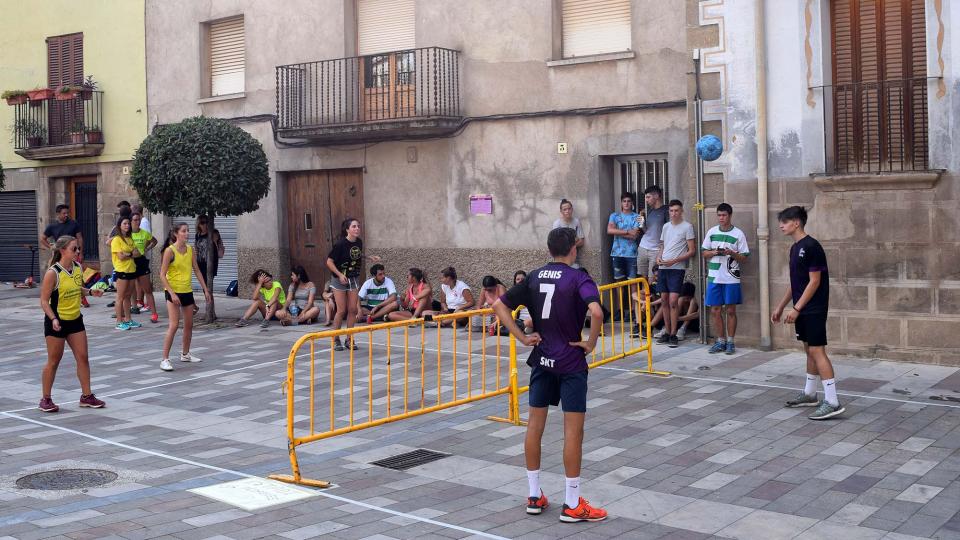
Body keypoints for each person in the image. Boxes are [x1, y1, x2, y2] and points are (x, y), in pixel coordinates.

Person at [492, 227, 607, 524]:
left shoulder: (533, 276)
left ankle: (534, 495)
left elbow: (498, 305)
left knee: (535, 427)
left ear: (549, 249)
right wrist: (591, 343)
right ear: (573, 249)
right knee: (573, 432)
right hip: (570, 361)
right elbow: (596, 312)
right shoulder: (579, 277)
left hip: (542, 359)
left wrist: (520, 337)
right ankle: (571, 503)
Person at [773, 206, 844, 421]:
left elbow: (815, 281)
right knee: (808, 350)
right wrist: (781, 305)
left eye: (785, 222)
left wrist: (796, 308)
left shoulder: (812, 246)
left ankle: (832, 402)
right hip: (802, 308)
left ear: (796, 223)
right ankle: (810, 393)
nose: (781, 225)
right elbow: (796, 283)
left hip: (813, 308)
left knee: (817, 351)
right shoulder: (795, 249)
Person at [37, 235, 105, 412]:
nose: (77, 251)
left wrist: (90, 292)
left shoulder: (77, 267)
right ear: (62, 251)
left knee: (83, 357)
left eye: (78, 248)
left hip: (75, 319)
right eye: (74, 249)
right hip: (57, 321)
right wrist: (53, 319)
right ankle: (45, 399)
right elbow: (44, 301)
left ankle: (87, 396)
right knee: (54, 361)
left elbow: (76, 289)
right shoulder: (53, 273)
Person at [159, 223, 212, 372]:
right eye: (184, 231)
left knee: (189, 325)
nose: (187, 233)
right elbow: (162, 275)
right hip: (172, 292)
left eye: (188, 231)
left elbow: (197, 270)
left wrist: (205, 289)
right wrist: (172, 293)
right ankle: (164, 359)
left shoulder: (190, 250)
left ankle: (185, 354)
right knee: (174, 325)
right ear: (176, 234)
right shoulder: (170, 251)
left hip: (187, 291)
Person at [326, 217, 381, 350]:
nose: (357, 229)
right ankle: (336, 338)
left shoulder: (359, 242)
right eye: (354, 226)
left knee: (353, 309)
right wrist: (339, 275)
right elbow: (329, 262)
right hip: (339, 279)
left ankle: (349, 339)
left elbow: (355, 254)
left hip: (353, 278)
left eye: (358, 226)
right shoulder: (340, 245)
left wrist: (368, 257)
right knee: (341, 310)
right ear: (347, 230)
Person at [702, 203, 750, 354]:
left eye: (724, 215)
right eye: (719, 215)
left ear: (730, 215)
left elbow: (744, 257)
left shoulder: (738, 234)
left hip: (731, 276)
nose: (721, 218)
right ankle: (720, 340)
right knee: (715, 310)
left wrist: (732, 253)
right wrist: (715, 252)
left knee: (730, 310)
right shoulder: (712, 231)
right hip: (714, 276)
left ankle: (730, 342)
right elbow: (704, 253)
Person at [655, 200, 696, 348]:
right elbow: (662, 245)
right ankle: (666, 331)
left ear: (681, 211)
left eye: (676, 211)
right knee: (664, 299)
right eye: (671, 211)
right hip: (663, 267)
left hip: (677, 268)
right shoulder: (666, 226)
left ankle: (674, 333)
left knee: (673, 300)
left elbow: (692, 250)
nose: (674, 213)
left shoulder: (687, 227)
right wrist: (658, 257)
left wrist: (675, 260)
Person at [41, 205, 87, 308]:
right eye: (64, 213)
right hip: (59, 254)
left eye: (67, 213)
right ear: (58, 214)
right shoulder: (52, 227)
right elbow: (42, 238)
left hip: (73, 252)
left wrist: (81, 252)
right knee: (56, 274)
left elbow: (79, 238)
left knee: (77, 275)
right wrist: (51, 247)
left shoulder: (73, 224)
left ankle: (82, 298)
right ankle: (54, 296)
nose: (66, 215)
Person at [110, 217, 141, 331]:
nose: (127, 225)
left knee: (128, 296)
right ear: (119, 225)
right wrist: (130, 254)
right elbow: (120, 257)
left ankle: (128, 319)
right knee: (120, 297)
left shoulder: (130, 238)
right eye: (125, 223)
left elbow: (137, 253)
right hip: (121, 271)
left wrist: (128, 254)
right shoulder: (117, 240)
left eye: (128, 223)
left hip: (131, 270)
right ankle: (119, 321)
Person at [130, 212, 159, 323]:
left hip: (141, 262)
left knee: (147, 289)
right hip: (130, 262)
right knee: (130, 289)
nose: (137, 222)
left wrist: (146, 248)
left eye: (138, 220)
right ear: (131, 221)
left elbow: (154, 241)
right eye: (135, 220)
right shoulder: (127, 235)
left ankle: (154, 314)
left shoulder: (144, 233)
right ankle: (133, 308)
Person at [636, 185, 669, 280]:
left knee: (653, 279)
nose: (646, 200)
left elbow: (668, 231)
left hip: (656, 250)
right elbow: (647, 231)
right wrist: (642, 225)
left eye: (648, 197)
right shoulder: (649, 211)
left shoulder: (666, 210)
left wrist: (662, 250)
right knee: (642, 279)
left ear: (657, 196)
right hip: (643, 247)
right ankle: (643, 295)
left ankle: (651, 295)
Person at [606, 193, 639, 281]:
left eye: (628, 201)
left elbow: (634, 236)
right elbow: (609, 230)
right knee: (618, 281)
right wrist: (628, 231)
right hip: (617, 253)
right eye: (624, 201)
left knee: (633, 281)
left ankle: (632, 295)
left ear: (632, 203)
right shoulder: (614, 216)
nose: (626, 203)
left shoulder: (637, 217)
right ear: (621, 203)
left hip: (632, 253)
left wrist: (617, 231)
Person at [195, 214, 225, 294]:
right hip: (200, 263)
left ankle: (209, 303)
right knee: (204, 285)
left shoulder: (213, 233)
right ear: (198, 224)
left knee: (208, 285)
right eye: (202, 223)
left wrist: (214, 240)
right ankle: (208, 302)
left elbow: (217, 246)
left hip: (211, 263)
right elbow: (196, 249)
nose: (204, 225)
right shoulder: (198, 235)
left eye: (206, 222)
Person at [552, 199, 585, 269]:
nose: (567, 211)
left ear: (572, 209)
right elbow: (555, 243)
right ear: (561, 211)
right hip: (560, 258)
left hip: (574, 258)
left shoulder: (576, 222)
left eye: (569, 209)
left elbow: (581, 241)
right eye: (564, 209)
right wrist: (573, 241)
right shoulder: (557, 224)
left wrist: (572, 245)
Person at [131, 203, 151, 311]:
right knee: (137, 281)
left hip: (142, 257)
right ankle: (140, 301)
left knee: (144, 282)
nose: (136, 222)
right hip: (135, 257)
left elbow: (149, 238)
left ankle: (144, 303)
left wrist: (144, 248)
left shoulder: (144, 223)